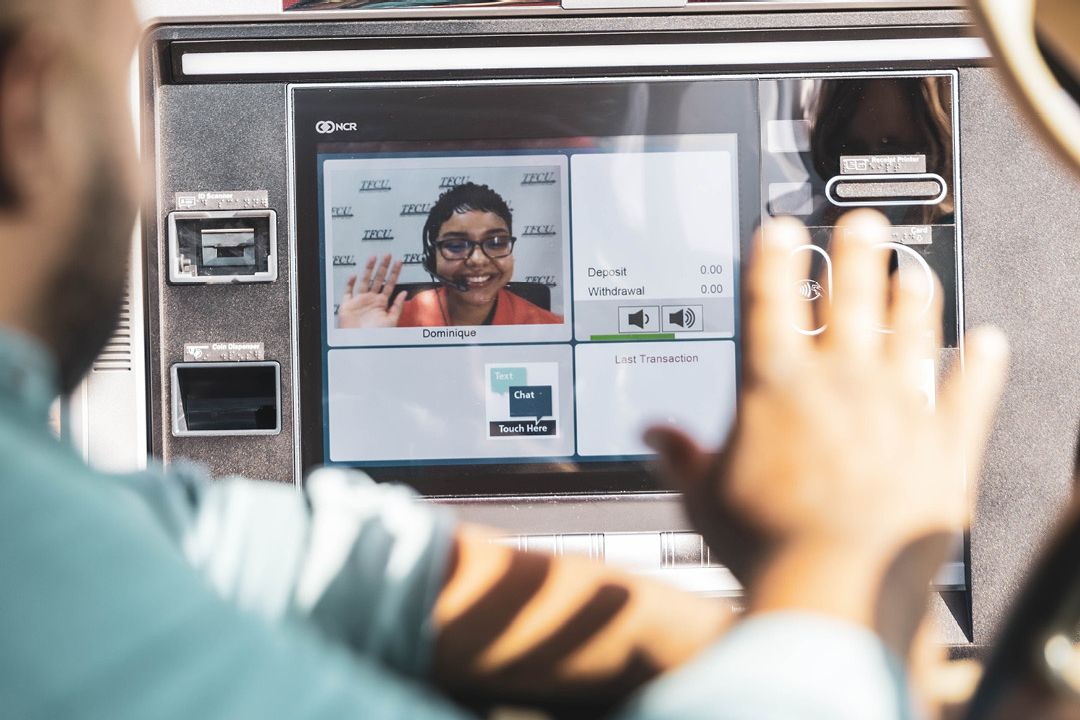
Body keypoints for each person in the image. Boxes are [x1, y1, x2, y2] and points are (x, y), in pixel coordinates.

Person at [0, 1, 1012, 719]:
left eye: (494, 241)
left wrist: (749, 633)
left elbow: (313, 556)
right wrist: (838, 574)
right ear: (28, 112)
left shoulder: (65, 514)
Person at [338, 182, 563, 329]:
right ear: (431, 256)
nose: (478, 260)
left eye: (496, 243)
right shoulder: (391, 325)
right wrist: (359, 346)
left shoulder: (549, 326)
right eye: (456, 245)